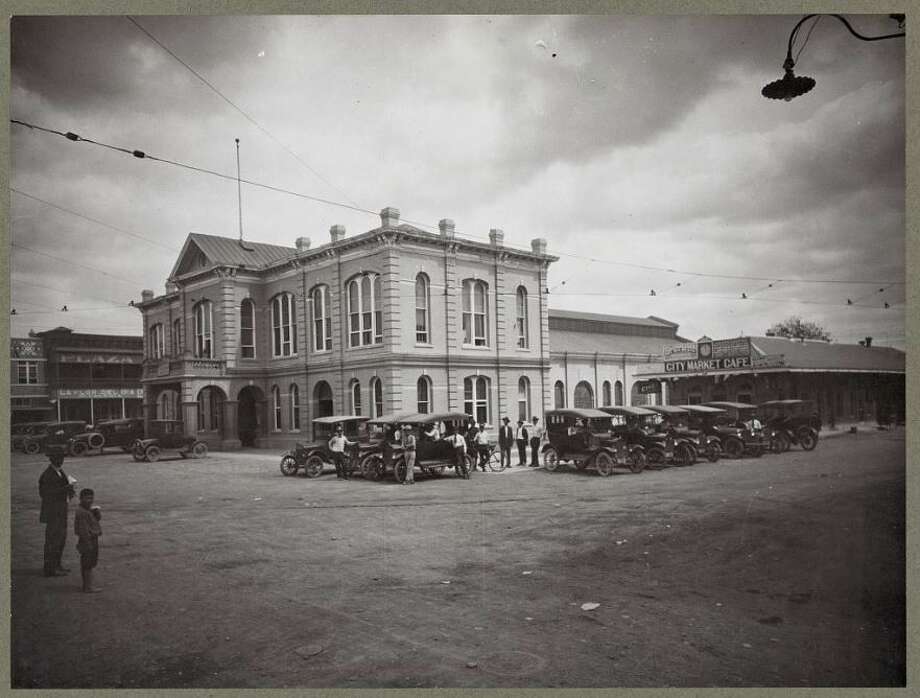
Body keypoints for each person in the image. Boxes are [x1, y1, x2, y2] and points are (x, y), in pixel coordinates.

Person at [39, 442, 75, 577]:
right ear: (52, 458)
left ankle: (57, 565)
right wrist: (64, 490)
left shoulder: (59, 471)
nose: (61, 460)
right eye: (58, 458)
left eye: (62, 457)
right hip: (53, 512)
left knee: (61, 539)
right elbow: (45, 494)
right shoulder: (47, 475)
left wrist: (69, 490)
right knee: (52, 540)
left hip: (61, 510)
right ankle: (50, 568)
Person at [73, 488, 102, 593]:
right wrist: (88, 544)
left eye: (91, 498)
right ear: (81, 499)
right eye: (86, 498)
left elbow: (94, 521)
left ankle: (87, 585)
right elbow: (83, 530)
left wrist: (96, 514)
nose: (89, 500)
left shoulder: (87, 510)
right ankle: (88, 587)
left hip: (91, 540)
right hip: (88, 541)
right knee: (87, 564)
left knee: (89, 563)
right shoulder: (82, 512)